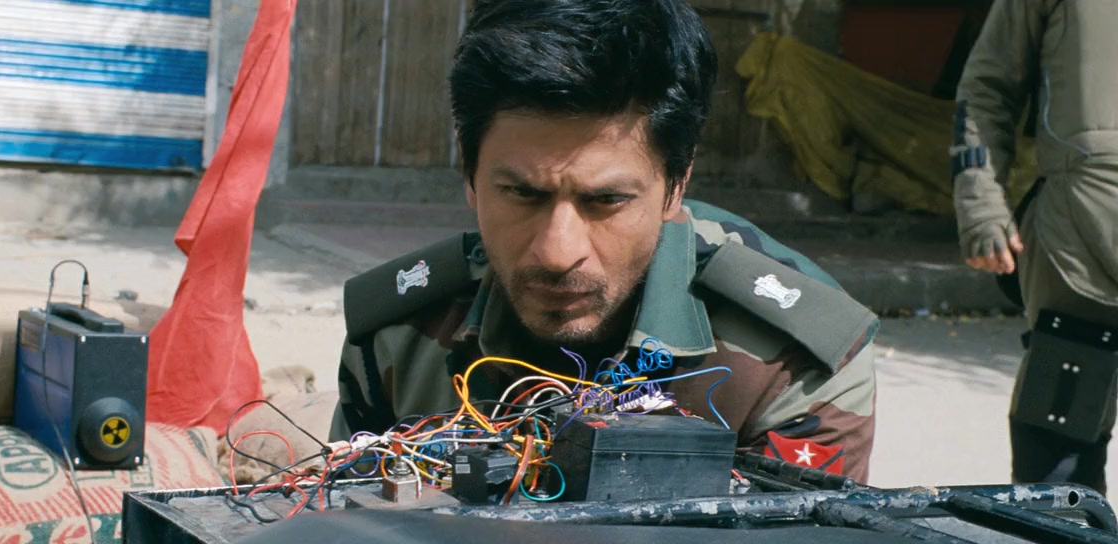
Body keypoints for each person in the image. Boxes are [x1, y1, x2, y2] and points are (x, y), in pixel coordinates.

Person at [330, 0, 879, 482]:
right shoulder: (396, 337)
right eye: (522, 193)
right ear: (470, 176)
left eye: (606, 201)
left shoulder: (789, 363)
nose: (557, 252)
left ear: (676, 186)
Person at [950, 0, 1118, 493]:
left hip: (1077, 234)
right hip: (1079, 242)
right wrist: (980, 202)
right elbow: (987, 87)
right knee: (1056, 464)